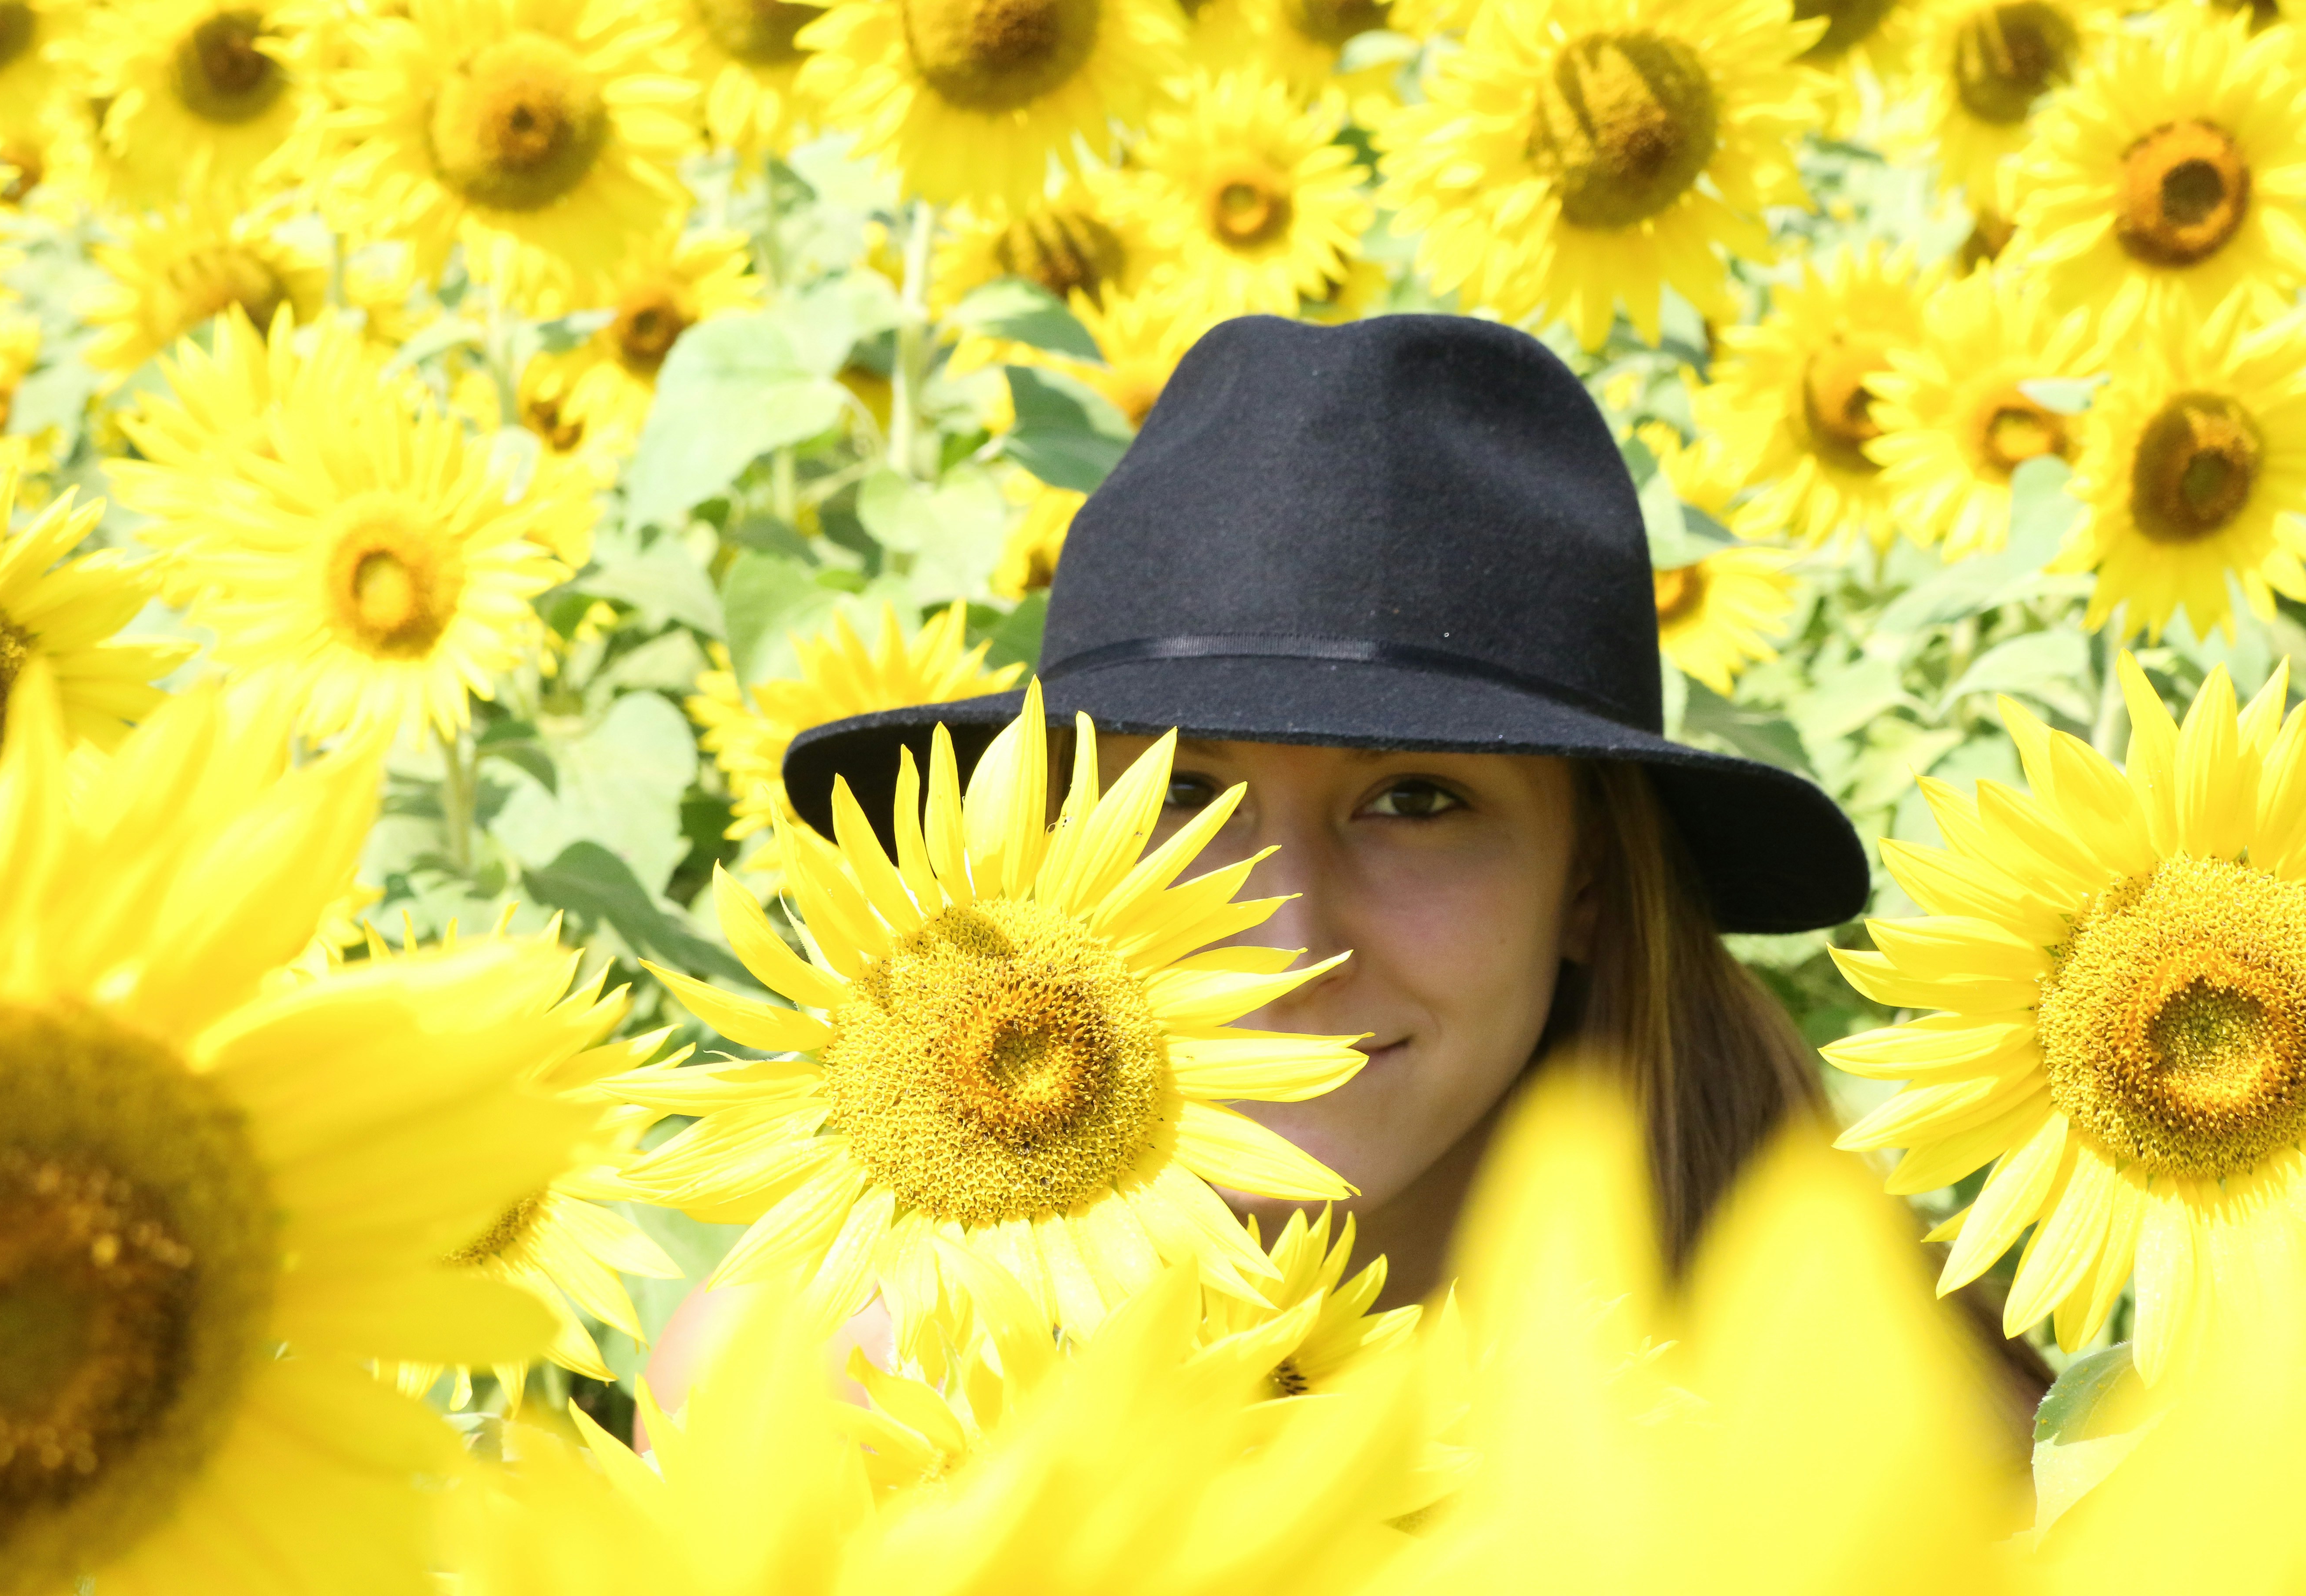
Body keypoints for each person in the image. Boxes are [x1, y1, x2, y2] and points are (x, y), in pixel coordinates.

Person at [645, 312, 2042, 1423]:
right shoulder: (815, 1405)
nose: (1284, 937)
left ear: (1590, 884)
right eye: (1179, 797)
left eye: (1416, 802)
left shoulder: (1877, 1442)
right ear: (1042, 849)